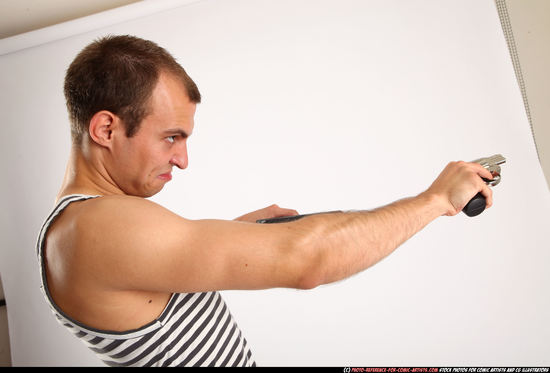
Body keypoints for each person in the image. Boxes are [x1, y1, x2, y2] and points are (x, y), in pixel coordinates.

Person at [37, 35, 494, 367]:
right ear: (105, 130)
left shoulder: (90, 226)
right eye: (171, 137)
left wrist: (238, 236)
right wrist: (435, 200)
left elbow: (164, 280)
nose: (183, 160)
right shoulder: (96, 227)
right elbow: (308, 260)